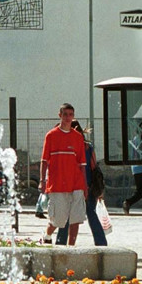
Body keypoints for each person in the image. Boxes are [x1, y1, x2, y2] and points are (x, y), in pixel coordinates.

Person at [39, 103, 88, 245]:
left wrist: (85, 186)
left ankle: (71, 247)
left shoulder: (78, 137)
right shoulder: (51, 136)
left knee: (76, 218)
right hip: (57, 184)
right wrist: (42, 181)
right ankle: (47, 234)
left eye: (70, 114)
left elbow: (82, 164)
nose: (68, 117)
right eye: (65, 114)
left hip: (76, 183)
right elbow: (44, 161)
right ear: (60, 115)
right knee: (58, 220)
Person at [55, 121, 107, 246]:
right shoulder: (88, 147)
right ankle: (101, 243)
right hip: (89, 185)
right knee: (91, 214)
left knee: (66, 216)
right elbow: (94, 166)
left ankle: (60, 243)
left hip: (72, 186)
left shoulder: (69, 147)